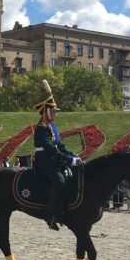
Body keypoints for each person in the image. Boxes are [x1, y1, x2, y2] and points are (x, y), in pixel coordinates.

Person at [33, 79, 81, 230]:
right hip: (44, 160)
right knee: (60, 181)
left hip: (52, 159)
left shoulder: (52, 127)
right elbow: (50, 149)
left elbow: (59, 145)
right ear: (47, 112)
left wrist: (73, 155)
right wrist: (67, 159)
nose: (56, 114)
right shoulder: (41, 128)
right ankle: (48, 214)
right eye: (54, 111)